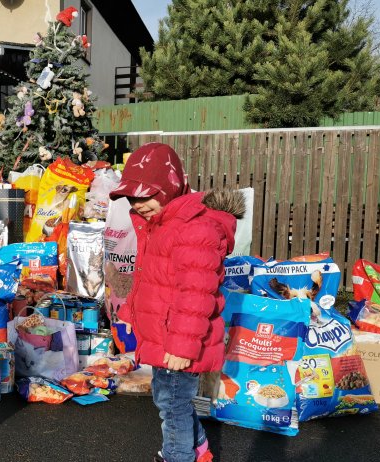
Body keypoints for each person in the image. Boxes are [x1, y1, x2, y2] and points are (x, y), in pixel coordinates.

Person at [109, 143, 245, 462]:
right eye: (132, 197)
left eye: (145, 195)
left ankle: (177, 456)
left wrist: (182, 348)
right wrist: (130, 311)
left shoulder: (194, 227)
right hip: (165, 335)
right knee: (170, 401)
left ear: (168, 188)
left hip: (180, 341)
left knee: (173, 407)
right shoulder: (162, 224)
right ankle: (197, 449)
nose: (137, 204)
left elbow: (196, 293)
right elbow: (148, 276)